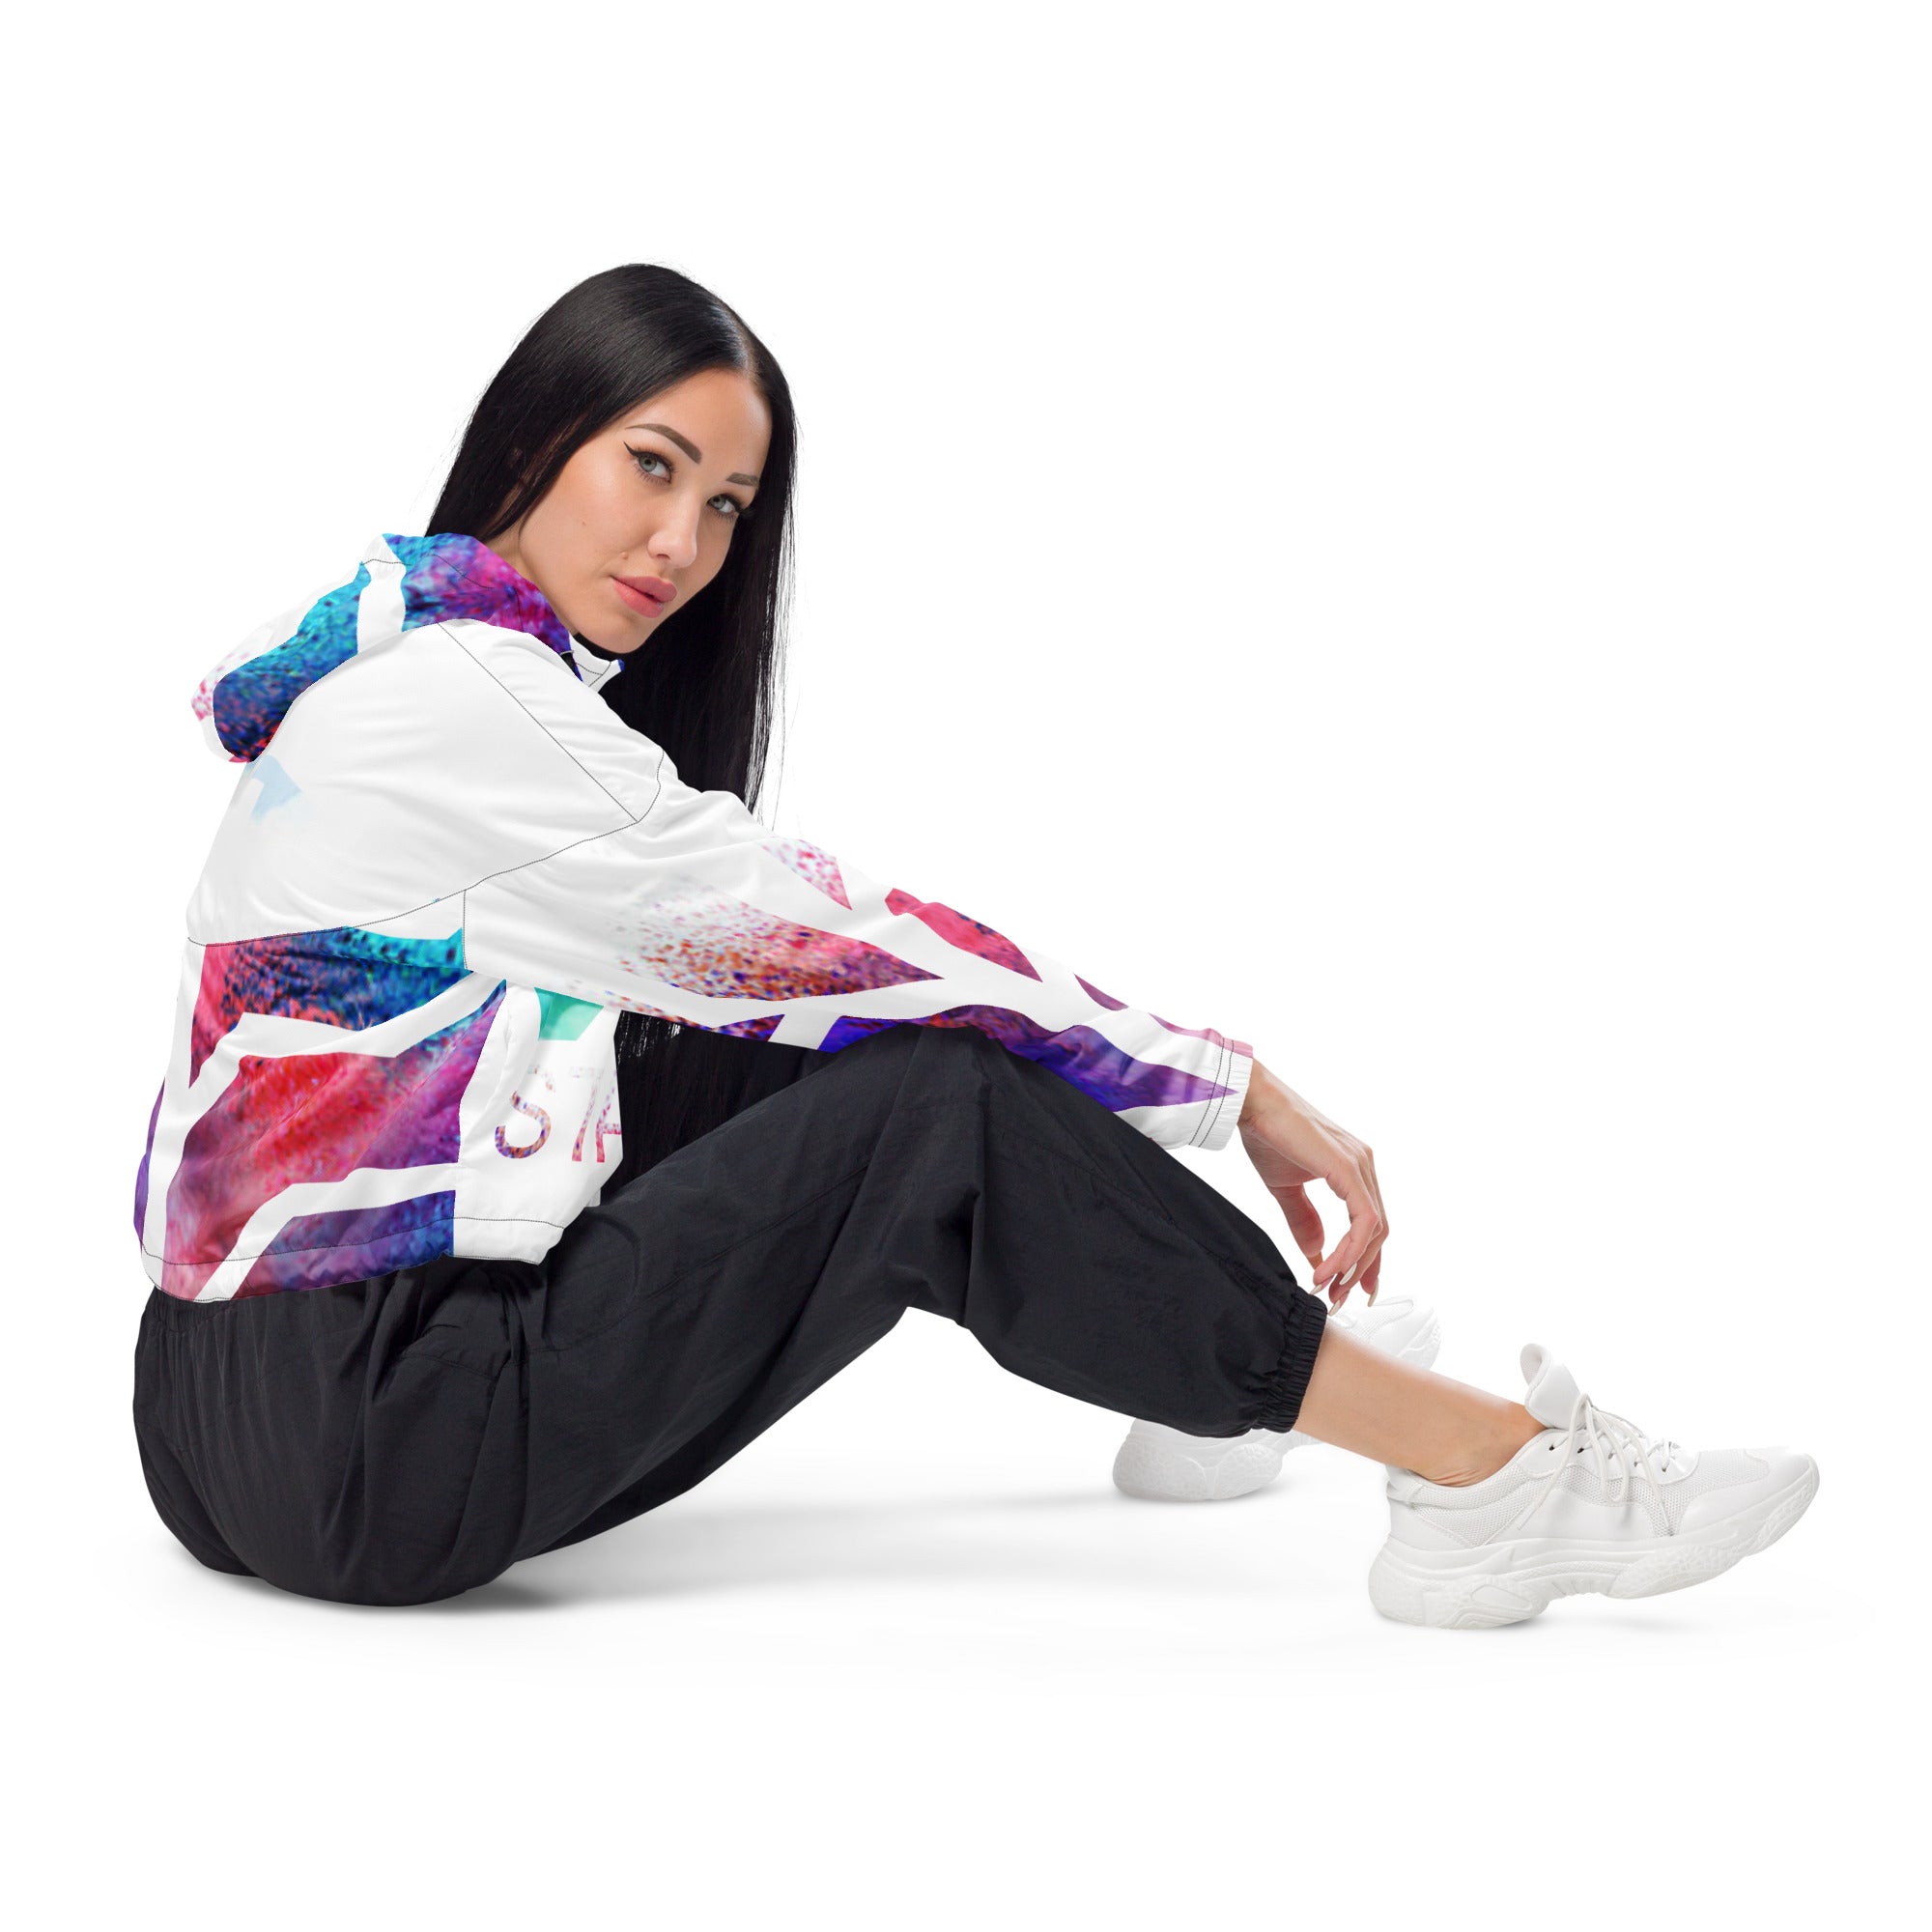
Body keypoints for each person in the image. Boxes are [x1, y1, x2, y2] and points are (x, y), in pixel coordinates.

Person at [130, 264, 1817, 1626]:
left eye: (727, 506)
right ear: (535, 441)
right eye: (652, 466)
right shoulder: (489, 715)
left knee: (787, 1045)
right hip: (381, 1447)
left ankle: (1197, 1371)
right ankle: (1489, 1478)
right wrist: (1235, 1088)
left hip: (207, 1417)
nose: (683, 547)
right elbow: (860, 945)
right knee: (935, 1099)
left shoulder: (394, 655)